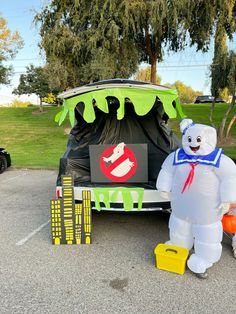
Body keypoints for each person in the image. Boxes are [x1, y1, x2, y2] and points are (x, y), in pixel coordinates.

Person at [156, 119, 236, 279]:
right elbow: (167, 171)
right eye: (190, 139)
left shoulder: (218, 160)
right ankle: (179, 246)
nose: (193, 144)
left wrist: (228, 198)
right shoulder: (177, 157)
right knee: (180, 226)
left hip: (206, 210)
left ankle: (204, 258)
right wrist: (163, 187)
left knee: (206, 232)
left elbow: (230, 178)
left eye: (198, 140)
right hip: (181, 207)